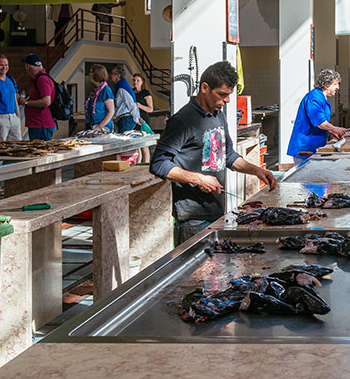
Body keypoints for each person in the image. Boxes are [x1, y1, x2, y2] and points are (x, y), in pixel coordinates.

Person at [150, 61, 277, 244]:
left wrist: (256, 170)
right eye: (222, 94)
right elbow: (158, 164)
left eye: (229, 95)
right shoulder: (183, 120)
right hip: (193, 219)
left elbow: (228, 156)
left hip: (216, 211)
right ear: (205, 88)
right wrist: (199, 179)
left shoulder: (219, 115)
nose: (227, 101)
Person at [286, 68, 347, 159]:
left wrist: (330, 131)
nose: (337, 87)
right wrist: (335, 129)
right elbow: (320, 122)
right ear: (327, 85)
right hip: (305, 147)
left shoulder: (321, 98)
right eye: (335, 84)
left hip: (314, 146)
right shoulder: (314, 98)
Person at [21, 54, 55, 141]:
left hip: (40, 124)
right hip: (38, 124)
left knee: (41, 152)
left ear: (28, 66)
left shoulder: (42, 79)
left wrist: (26, 102)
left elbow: (46, 101)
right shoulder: (38, 78)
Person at [110, 65, 141, 133]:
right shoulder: (120, 87)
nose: (110, 75)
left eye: (112, 74)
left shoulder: (122, 88)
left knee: (124, 141)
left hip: (126, 119)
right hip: (124, 119)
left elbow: (131, 104)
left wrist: (137, 119)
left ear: (118, 76)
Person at [85, 64, 115, 132]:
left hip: (103, 128)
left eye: (91, 71)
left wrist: (99, 126)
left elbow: (111, 112)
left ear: (97, 74)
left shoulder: (106, 90)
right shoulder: (94, 89)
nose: (89, 73)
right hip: (92, 126)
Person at [133, 72, 155, 163]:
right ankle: (138, 162)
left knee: (144, 145)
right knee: (136, 144)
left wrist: (140, 106)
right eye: (134, 80)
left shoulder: (145, 93)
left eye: (138, 80)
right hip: (134, 119)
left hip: (143, 119)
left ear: (142, 82)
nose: (136, 82)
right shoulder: (131, 92)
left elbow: (150, 109)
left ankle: (146, 163)